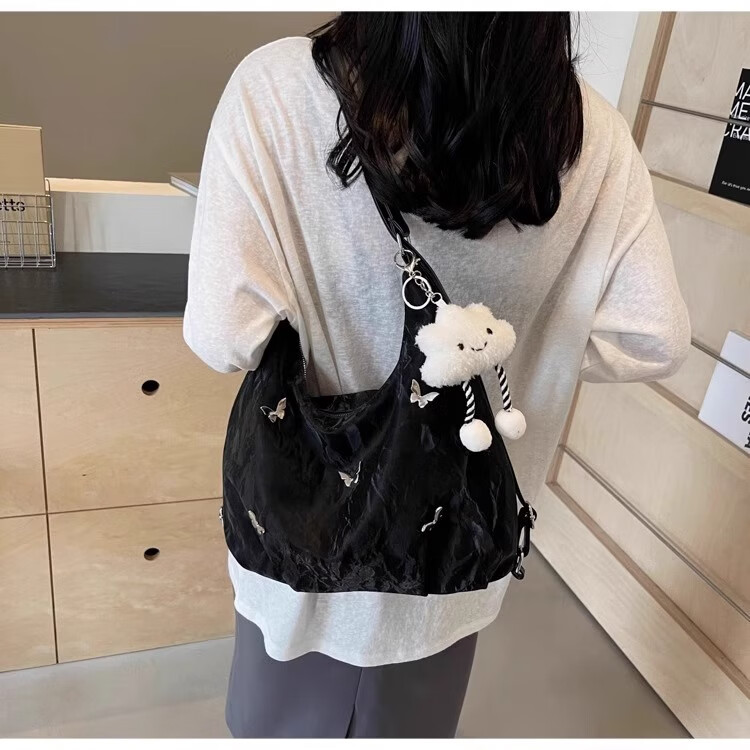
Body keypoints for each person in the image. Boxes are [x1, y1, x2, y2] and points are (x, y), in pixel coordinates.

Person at [184, 13, 690, 739]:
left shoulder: (275, 89)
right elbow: (655, 337)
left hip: (305, 559)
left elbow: (225, 335)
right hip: (454, 556)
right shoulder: (593, 136)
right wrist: (521, 349)